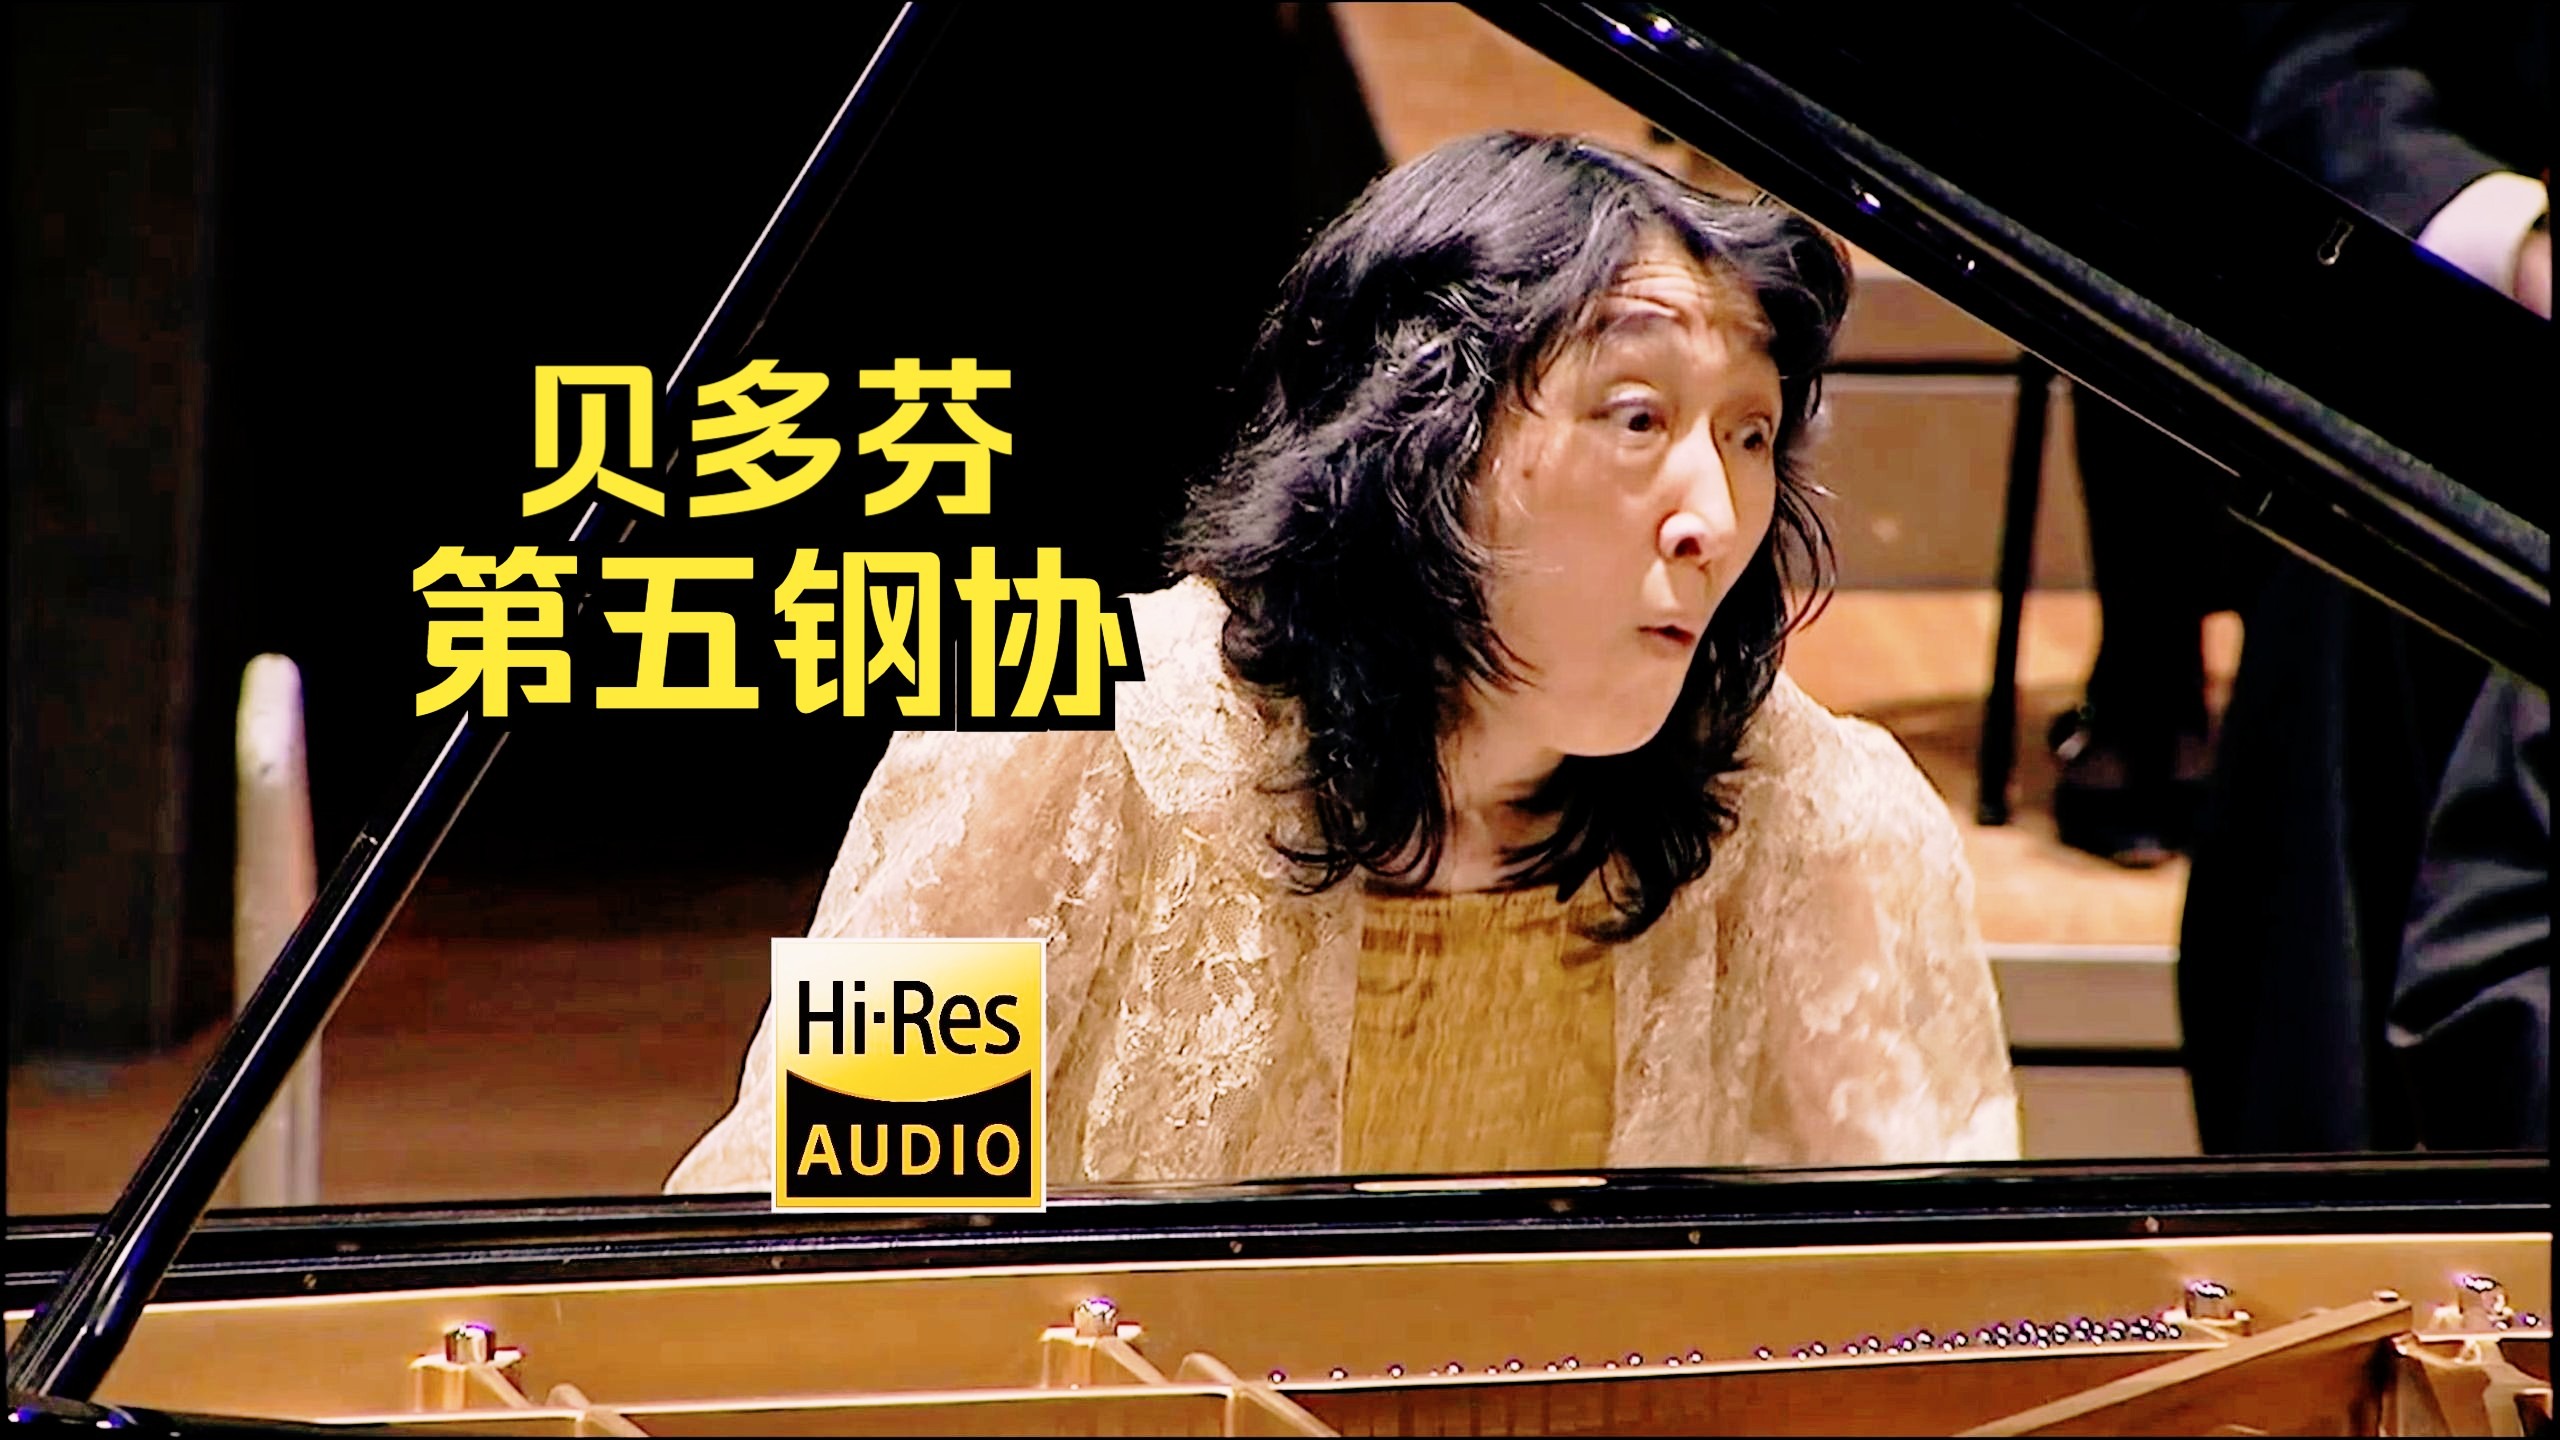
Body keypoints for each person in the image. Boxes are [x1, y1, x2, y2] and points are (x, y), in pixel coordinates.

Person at [667, 133, 2019, 1192]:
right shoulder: (1049, 745)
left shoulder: (1812, 812)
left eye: (1748, 434)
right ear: (1421, 440)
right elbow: (829, 1274)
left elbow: (1933, 1325)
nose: (1715, 520)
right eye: (1636, 417)